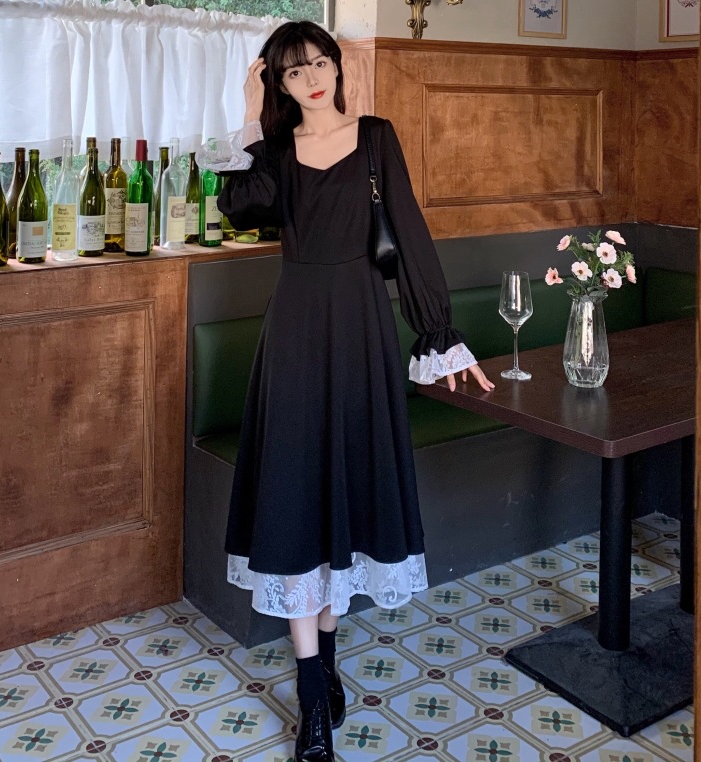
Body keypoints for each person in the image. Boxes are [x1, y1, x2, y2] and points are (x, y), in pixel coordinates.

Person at [211, 20, 493, 762]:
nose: (310, 78)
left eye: (318, 63)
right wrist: (247, 112)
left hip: (364, 329)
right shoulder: (275, 152)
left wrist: (440, 335)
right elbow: (238, 204)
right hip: (296, 333)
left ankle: (325, 664)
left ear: (338, 67)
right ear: (277, 83)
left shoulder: (376, 138)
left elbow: (411, 234)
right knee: (296, 494)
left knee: (346, 496)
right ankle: (312, 697)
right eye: (292, 71)